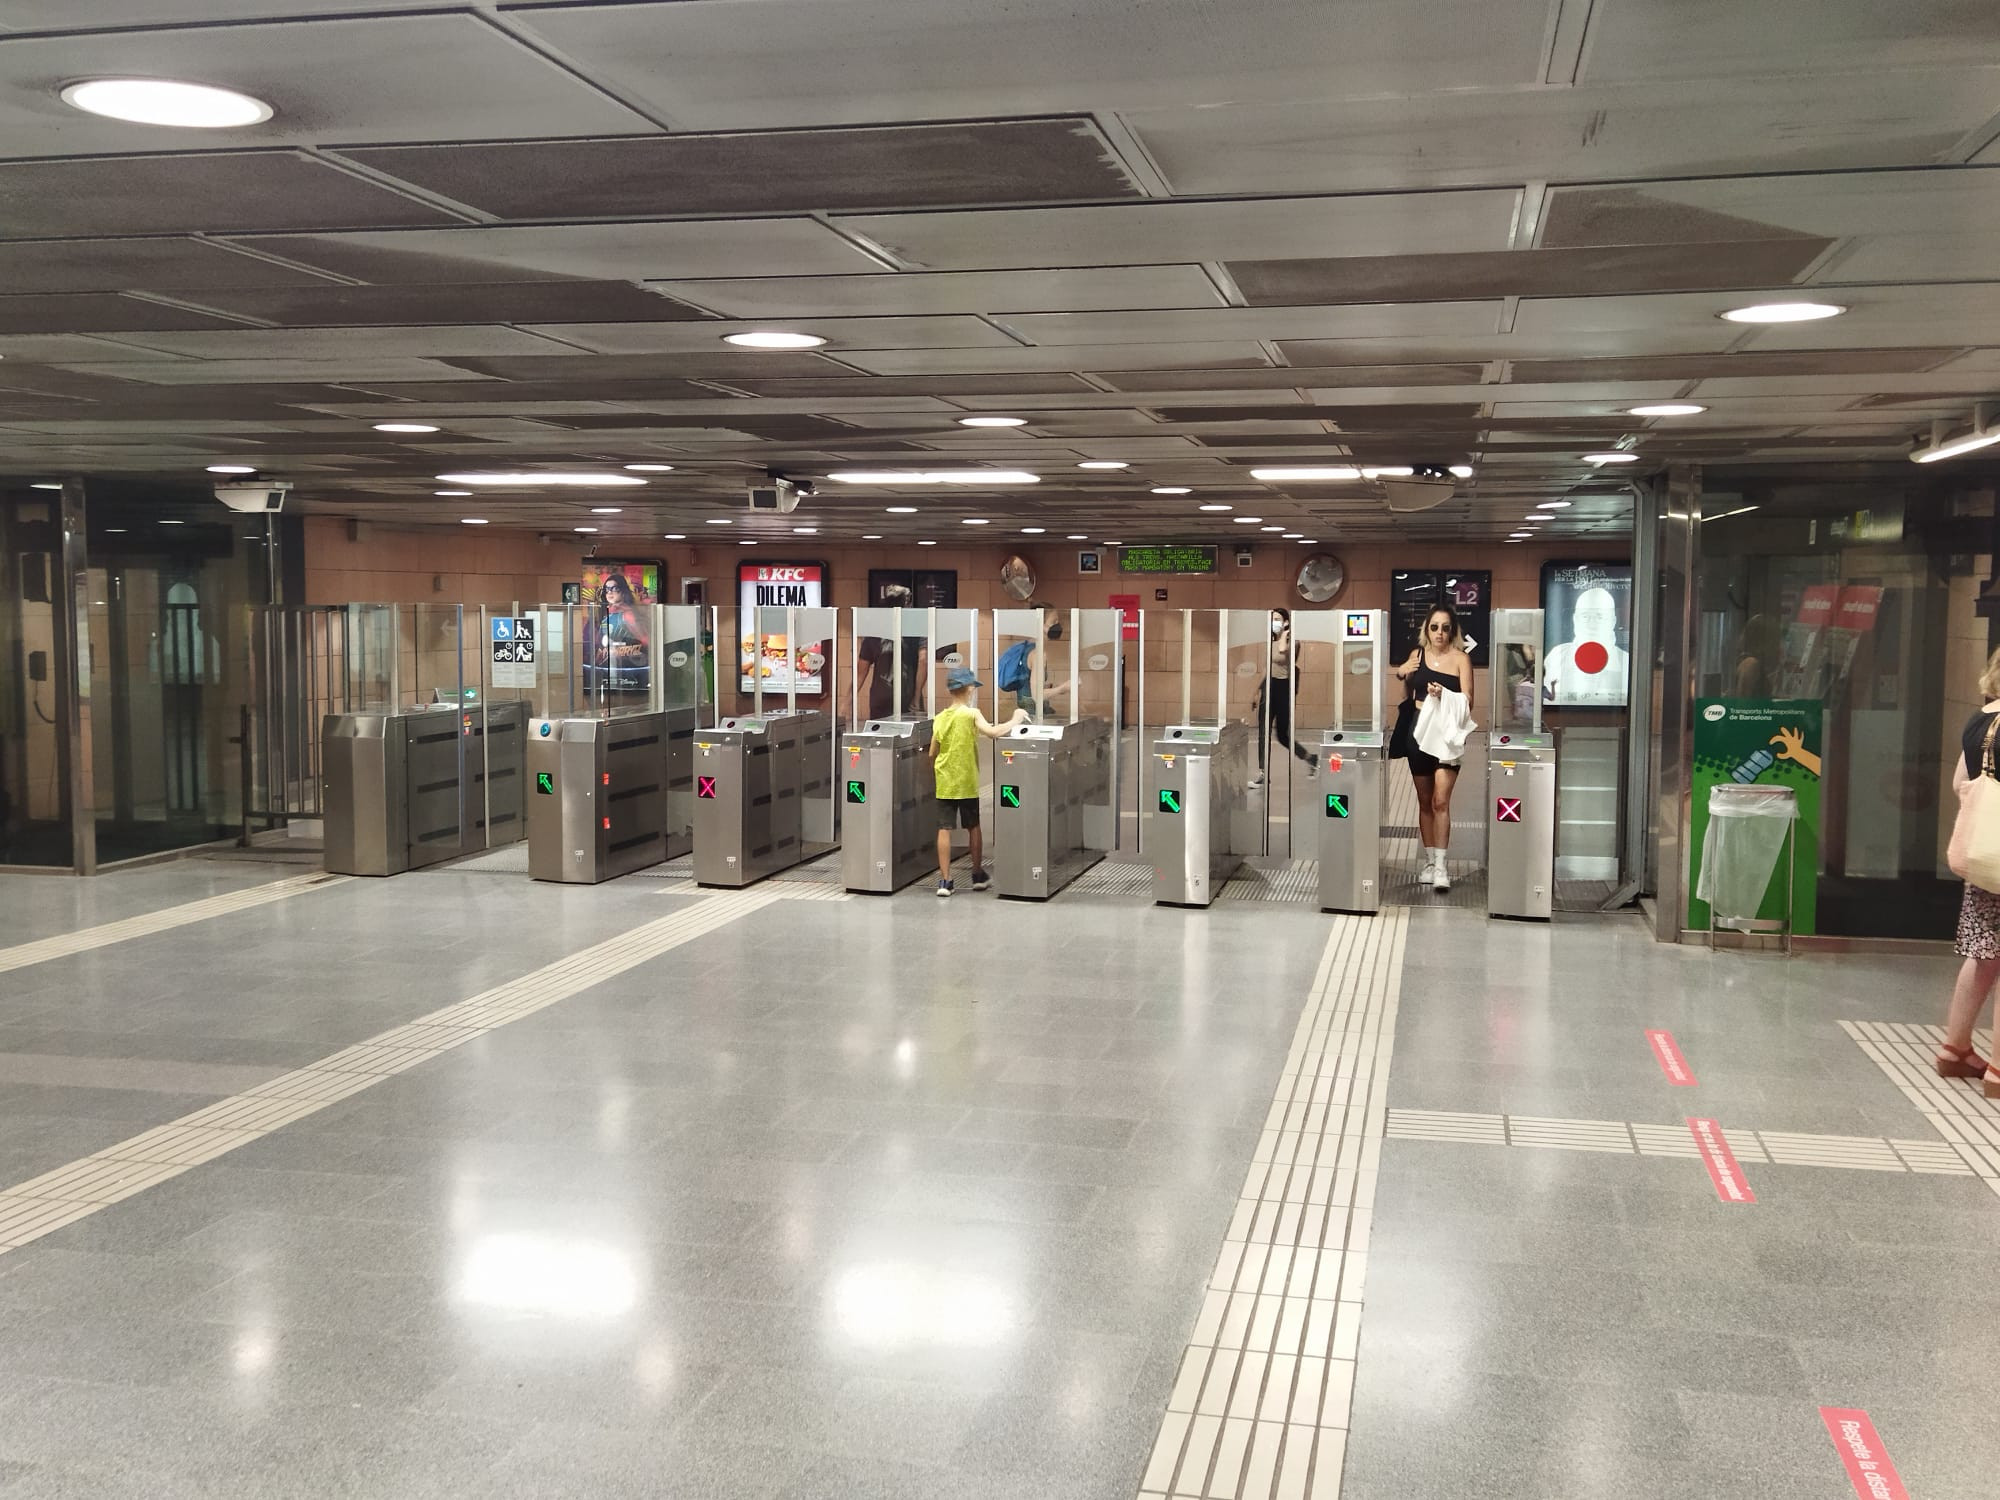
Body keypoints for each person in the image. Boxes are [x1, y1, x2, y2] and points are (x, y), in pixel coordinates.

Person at [1938, 646, 2000, 1096]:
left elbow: (1962, 785)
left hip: (1983, 855)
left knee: (1983, 953)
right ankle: (1998, 1070)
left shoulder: (1981, 720)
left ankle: (1955, 1049)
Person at [1389, 604, 1474, 893]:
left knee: (1441, 800)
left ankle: (1441, 866)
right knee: (1424, 800)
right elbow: (1406, 689)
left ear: (1453, 630)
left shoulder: (1461, 659)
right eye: (1434, 627)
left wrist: (1444, 695)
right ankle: (1428, 861)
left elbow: (1469, 701)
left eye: (1445, 627)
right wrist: (1401, 672)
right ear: (1427, 629)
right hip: (1419, 730)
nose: (1439, 633)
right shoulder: (1417, 656)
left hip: (1447, 733)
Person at [928, 665, 1026, 897]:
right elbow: (992, 733)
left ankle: (945, 881)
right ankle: (977, 874)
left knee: (944, 828)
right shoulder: (972, 714)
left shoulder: (940, 718)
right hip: (967, 780)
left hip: (945, 781)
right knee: (973, 826)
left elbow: (933, 751)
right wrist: (1015, 719)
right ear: (969, 689)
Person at [1252, 608, 1316, 788]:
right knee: (1263, 732)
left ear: (1286, 621)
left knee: (1282, 735)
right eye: (1272, 619)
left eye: (1278, 619)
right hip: (1269, 686)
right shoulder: (1269, 640)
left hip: (1284, 689)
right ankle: (1263, 773)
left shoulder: (1292, 640)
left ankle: (1310, 758)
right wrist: (1257, 691)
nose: (1274, 622)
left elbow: (1282, 652)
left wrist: (1285, 632)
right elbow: (1267, 667)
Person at [1542, 585, 1630, 706]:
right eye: (1585, 616)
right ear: (1575, 619)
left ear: (1613, 621)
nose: (1592, 624)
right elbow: (1548, 699)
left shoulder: (1627, 662)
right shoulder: (1557, 656)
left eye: (1600, 616)